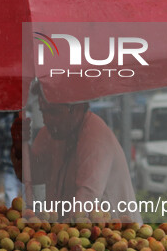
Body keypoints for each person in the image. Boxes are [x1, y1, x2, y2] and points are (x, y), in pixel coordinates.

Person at [11, 87, 140, 223]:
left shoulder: (95, 135)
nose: (47, 120)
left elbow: (85, 202)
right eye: (44, 112)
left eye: (54, 112)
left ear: (78, 108)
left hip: (116, 236)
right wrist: (19, 146)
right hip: (69, 234)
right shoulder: (50, 133)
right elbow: (32, 175)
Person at [0, 112, 23, 207]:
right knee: (10, 193)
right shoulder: (4, 123)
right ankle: (12, 217)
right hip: (9, 165)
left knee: (29, 196)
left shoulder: (33, 120)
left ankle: (29, 215)